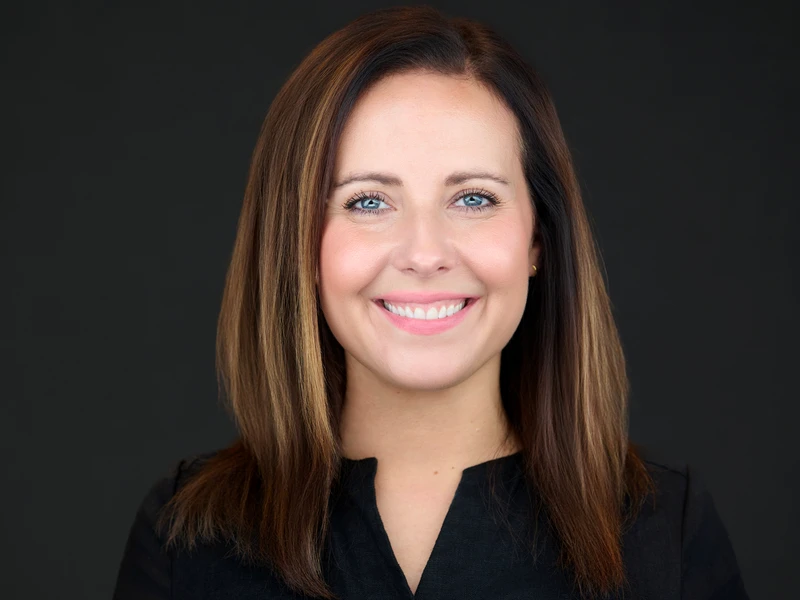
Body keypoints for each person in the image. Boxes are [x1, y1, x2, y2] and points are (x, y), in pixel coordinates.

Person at [112, 6, 749, 599]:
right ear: (297, 245)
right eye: (367, 201)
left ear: (538, 241)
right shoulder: (186, 541)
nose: (424, 253)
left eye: (473, 198)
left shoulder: (667, 537)